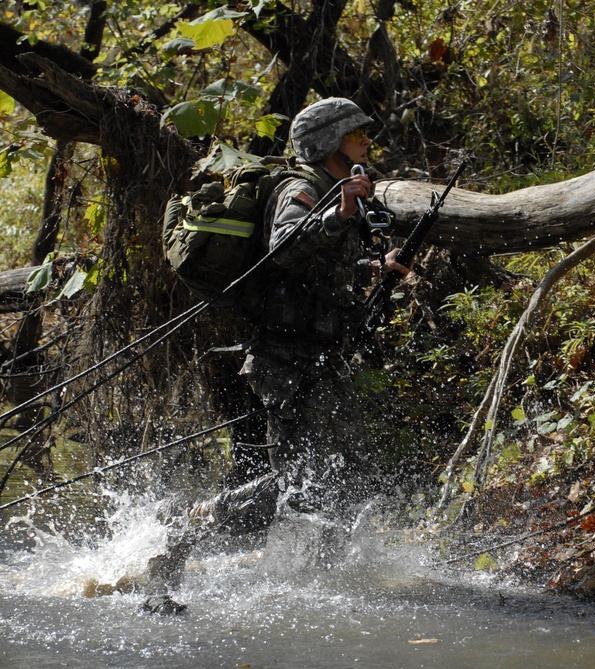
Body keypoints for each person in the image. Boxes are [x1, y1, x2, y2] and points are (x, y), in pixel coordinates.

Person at [142, 98, 409, 614]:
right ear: (331, 142)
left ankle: (327, 582)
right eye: (357, 136)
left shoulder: (332, 191)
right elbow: (283, 247)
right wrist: (340, 214)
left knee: (342, 468)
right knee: (294, 479)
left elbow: (319, 270)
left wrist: (375, 266)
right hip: (283, 361)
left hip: (320, 355)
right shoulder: (301, 188)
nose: (366, 144)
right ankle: (187, 528)